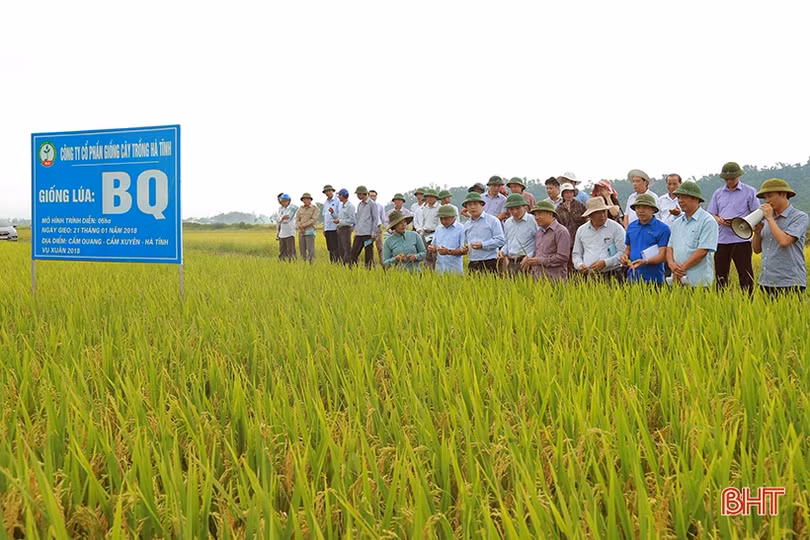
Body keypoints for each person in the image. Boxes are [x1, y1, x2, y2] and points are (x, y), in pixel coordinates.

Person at [707, 161, 759, 293]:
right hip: (722, 239)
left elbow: (757, 213)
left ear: (738, 176)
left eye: (732, 178)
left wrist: (743, 222)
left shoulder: (749, 191)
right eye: (726, 179)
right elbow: (712, 213)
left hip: (741, 239)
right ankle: (720, 301)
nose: (729, 181)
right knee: (720, 274)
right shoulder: (718, 193)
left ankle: (748, 301)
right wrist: (718, 219)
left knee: (745, 274)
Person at [752, 178, 809, 296]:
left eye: (770, 196)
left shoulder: (799, 217)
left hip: (791, 282)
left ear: (783, 194)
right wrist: (757, 233)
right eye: (765, 197)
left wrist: (770, 219)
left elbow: (784, 241)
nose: (767, 201)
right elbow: (757, 250)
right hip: (766, 281)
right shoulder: (767, 218)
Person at [665, 181, 719, 287]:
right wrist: (672, 265)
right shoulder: (677, 222)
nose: (680, 201)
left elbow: (703, 251)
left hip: (699, 282)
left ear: (695, 198)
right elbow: (670, 247)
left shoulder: (707, 221)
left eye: (684, 197)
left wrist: (681, 269)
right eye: (679, 197)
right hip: (678, 280)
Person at [619, 194, 670, 284]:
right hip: (633, 277)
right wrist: (625, 257)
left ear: (653, 210)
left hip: (654, 279)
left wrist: (645, 261)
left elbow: (663, 256)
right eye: (638, 207)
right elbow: (628, 248)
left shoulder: (663, 229)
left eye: (645, 207)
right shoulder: (631, 227)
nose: (641, 211)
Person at [572, 197, 627, 280]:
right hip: (588, 275)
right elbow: (576, 254)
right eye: (598, 212)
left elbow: (622, 252)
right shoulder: (581, 230)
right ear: (590, 215)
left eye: (604, 211)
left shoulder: (616, 228)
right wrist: (580, 265)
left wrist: (605, 263)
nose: (602, 215)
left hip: (612, 274)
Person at [521, 201, 571, 281]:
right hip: (537, 279)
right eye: (535, 215)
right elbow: (537, 252)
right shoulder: (539, 232)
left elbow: (563, 257)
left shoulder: (561, 231)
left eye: (540, 214)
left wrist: (539, 260)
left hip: (554, 280)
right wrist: (530, 258)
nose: (537, 217)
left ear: (550, 214)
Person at [461, 192, 505, 273]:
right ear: (466, 207)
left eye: (475, 204)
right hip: (473, 262)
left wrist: (483, 245)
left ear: (482, 204)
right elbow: (467, 243)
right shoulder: (466, 225)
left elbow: (500, 240)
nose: (473, 207)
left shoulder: (493, 221)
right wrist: (465, 248)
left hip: (490, 261)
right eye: (469, 205)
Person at [497, 193, 538, 276]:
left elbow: (540, 242)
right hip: (511, 262)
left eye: (518, 208)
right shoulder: (508, 222)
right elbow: (508, 242)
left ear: (524, 207)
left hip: (527, 261)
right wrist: (502, 251)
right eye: (511, 209)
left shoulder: (533, 221)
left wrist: (530, 256)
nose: (515, 212)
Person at [556, 183, 587, 270]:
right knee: (568, 265)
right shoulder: (558, 209)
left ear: (574, 193)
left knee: (582, 263)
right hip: (566, 242)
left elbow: (587, 220)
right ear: (562, 194)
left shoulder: (580, 206)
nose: (569, 195)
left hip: (581, 239)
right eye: (566, 193)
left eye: (570, 192)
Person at [349, 185, 380, 268]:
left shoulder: (372, 204)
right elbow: (358, 219)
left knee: (368, 253)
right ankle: (352, 268)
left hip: (368, 234)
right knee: (354, 252)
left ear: (364, 194)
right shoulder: (359, 205)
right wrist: (356, 231)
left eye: (359, 194)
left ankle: (369, 269)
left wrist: (373, 232)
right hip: (359, 233)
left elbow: (375, 219)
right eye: (357, 194)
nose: (358, 196)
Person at [430, 204, 465, 275]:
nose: (443, 221)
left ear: (453, 216)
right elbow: (434, 245)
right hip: (439, 269)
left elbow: (464, 251)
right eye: (441, 218)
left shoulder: (461, 229)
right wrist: (432, 248)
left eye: (446, 218)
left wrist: (448, 252)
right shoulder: (438, 229)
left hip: (455, 270)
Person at [419, 189, 440, 269]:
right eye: (427, 197)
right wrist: (422, 232)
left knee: (434, 253)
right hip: (425, 233)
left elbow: (439, 223)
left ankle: (435, 269)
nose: (429, 199)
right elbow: (423, 221)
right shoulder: (425, 208)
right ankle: (427, 270)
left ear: (435, 198)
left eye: (431, 197)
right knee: (425, 253)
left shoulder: (439, 208)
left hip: (434, 233)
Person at [333, 188, 355, 264]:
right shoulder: (342, 206)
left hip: (346, 229)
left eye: (340, 195)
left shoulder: (350, 206)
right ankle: (343, 264)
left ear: (344, 196)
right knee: (341, 249)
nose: (338, 197)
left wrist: (340, 221)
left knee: (347, 249)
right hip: (340, 229)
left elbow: (352, 220)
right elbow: (339, 218)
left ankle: (349, 264)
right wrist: (333, 213)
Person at [295, 192, 319, 263]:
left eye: (308, 199)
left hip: (310, 231)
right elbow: (297, 219)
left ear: (310, 200)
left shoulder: (314, 208)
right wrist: (300, 226)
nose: (306, 200)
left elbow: (313, 220)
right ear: (303, 200)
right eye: (304, 199)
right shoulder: (300, 209)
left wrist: (303, 226)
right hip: (301, 231)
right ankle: (304, 263)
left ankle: (311, 264)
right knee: (302, 249)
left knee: (310, 249)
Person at [322, 184, 342, 263]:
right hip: (328, 228)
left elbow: (340, 215)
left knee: (336, 247)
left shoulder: (337, 201)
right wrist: (324, 228)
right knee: (330, 247)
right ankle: (332, 263)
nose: (328, 193)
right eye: (326, 192)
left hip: (335, 227)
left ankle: (337, 263)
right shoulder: (325, 203)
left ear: (332, 191)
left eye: (329, 191)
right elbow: (324, 216)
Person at [277, 193, 297, 261]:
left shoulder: (292, 208)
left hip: (290, 232)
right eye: (283, 201)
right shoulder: (280, 209)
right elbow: (278, 219)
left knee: (290, 250)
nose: (284, 202)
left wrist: (282, 218)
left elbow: (288, 219)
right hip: (282, 233)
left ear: (289, 201)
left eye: (285, 201)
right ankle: (283, 263)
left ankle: (292, 262)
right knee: (282, 250)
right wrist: (282, 218)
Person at [369, 189, 387, 265]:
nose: (373, 197)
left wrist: (382, 228)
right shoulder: (366, 206)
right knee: (369, 246)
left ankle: (383, 263)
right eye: (371, 196)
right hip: (368, 228)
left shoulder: (380, 206)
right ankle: (371, 264)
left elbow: (383, 218)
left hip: (377, 228)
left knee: (380, 247)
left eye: (374, 196)